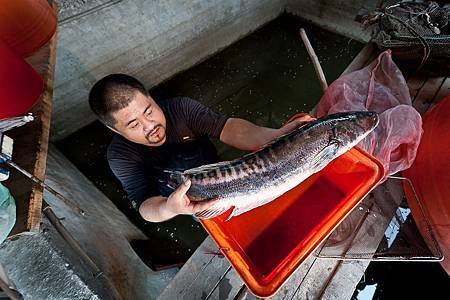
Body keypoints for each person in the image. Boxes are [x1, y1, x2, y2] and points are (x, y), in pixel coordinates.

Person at [88, 74, 314, 223]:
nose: (151, 126)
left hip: (223, 174)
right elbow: (145, 204)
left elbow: (230, 128)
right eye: (134, 124)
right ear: (116, 130)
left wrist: (274, 136)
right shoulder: (120, 155)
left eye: (149, 111)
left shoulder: (181, 109)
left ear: (151, 98)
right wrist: (171, 208)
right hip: (185, 201)